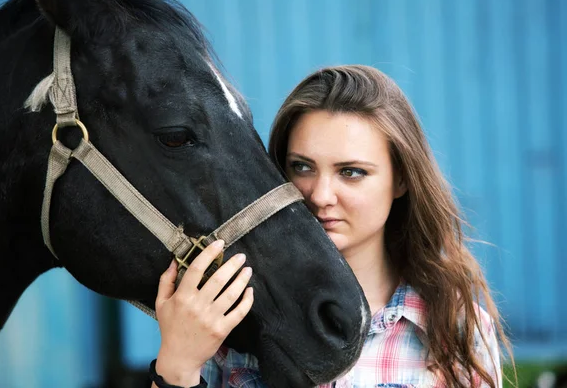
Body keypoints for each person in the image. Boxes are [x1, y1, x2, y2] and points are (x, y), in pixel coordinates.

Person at [150, 65, 514, 387]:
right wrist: (177, 365)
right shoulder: (228, 315)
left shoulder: (455, 327)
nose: (320, 195)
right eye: (302, 167)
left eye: (351, 172)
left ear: (401, 179)